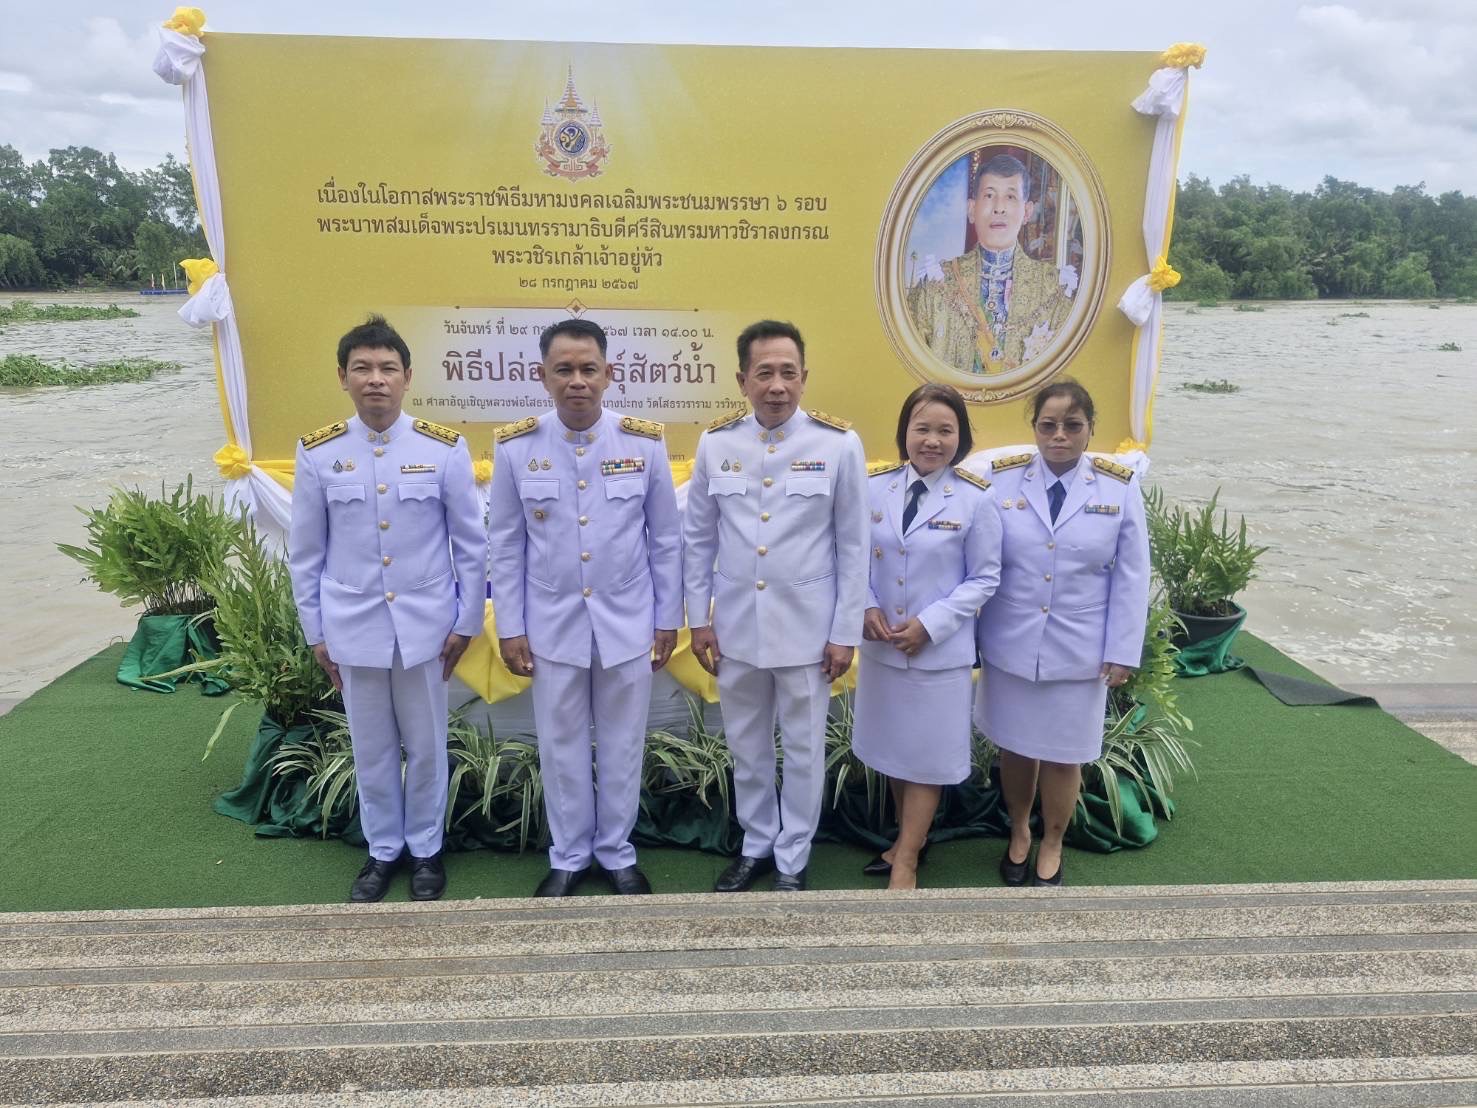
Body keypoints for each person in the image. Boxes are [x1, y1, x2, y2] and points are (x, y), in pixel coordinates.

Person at [289, 315, 486, 903]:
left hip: (426, 627)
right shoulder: (319, 453)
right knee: (371, 748)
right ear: (343, 378)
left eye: (387, 368)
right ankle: (382, 851)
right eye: (362, 368)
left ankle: (425, 849)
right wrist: (315, 632)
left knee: (426, 745)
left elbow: (470, 544)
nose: (375, 379)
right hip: (352, 626)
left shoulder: (442, 448)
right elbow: (306, 553)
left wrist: (466, 621)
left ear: (407, 378)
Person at [488, 318, 682, 898]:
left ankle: (617, 853)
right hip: (552, 624)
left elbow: (665, 539)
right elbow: (506, 543)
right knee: (560, 744)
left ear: (609, 373)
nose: (577, 380)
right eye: (564, 369)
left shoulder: (643, 442)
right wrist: (511, 627)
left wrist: (667, 619)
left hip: (628, 620)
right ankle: (569, 855)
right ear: (542, 375)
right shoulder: (517, 446)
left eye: (588, 368)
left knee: (623, 742)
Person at [683, 320, 868, 892]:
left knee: (805, 748)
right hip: (736, 626)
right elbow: (698, 539)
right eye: (764, 373)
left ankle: (793, 856)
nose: (777, 385)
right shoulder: (717, 443)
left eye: (789, 372)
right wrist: (699, 619)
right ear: (743, 380)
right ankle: (757, 843)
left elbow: (854, 545)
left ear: (804, 377)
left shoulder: (837, 444)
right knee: (746, 744)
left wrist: (844, 632)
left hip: (808, 630)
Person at [974, 378, 1149, 887]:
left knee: (1065, 754)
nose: (1059, 436)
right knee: (1014, 747)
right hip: (1011, 641)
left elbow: (1132, 574)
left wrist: (1123, 649)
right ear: (1034, 428)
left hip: (1081, 648)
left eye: (1072, 425)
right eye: (1048, 425)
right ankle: (1019, 831)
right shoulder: (1002, 480)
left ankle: (1052, 841)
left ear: (1090, 429)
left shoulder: (1118, 486)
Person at [853, 383, 1002, 890]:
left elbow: (985, 578)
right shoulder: (875, 488)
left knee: (925, 758)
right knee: (895, 750)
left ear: (960, 438)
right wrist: (866, 605)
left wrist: (930, 624)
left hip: (938, 654)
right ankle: (905, 840)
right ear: (905, 432)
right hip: (883, 649)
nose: (932, 440)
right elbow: (852, 558)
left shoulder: (976, 498)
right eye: (922, 429)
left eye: (945, 430)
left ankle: (908, 862)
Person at [907, 153, 1073, 375]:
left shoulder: (1055, 290)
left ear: (1027, 212)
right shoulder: (935, 286)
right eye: (989, 195)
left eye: (1010, 197)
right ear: (971, 209)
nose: (999, 208)